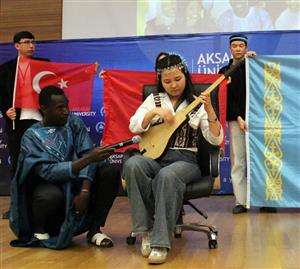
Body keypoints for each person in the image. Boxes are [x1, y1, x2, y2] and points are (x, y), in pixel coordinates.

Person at [122, 54, 223, 264]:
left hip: (185, 160)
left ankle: (160, 243)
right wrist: (154, 113)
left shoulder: (197, 102)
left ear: (185, 75)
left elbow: (215, 139)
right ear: (160, 82)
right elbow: (134, 125)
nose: (173, 85)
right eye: (167, 82)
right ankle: (147, 231)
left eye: (177, 79)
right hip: (155, 157)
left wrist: (210, 109)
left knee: (167, 175)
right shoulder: (154, 99)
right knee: (132, 164)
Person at [9, 86, 120, 249]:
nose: (66, 111)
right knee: (50, 195)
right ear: (44, 109)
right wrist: (89, 158)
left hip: (76, 187)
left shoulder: (74, 122)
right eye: (60, 108)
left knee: (109, 171)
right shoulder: (31, 137)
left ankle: (94, 230)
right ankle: (41, 230)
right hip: (50, 190)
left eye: (67, 106)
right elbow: (49, 172)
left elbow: (87, 153)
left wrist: (84, 191)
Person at [219, 34, 276, 214]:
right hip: (236, 120)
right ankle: (241, 202)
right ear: (230, 49)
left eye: (241, 45)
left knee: (261, 159)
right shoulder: (224, 71)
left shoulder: (255, 66)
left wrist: (253, 61)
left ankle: (266, 200)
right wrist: (238, 117)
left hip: (258, 119)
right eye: (234, 46)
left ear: (246, 47)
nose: (237, 48)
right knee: (239, 162)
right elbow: (227, 98)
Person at [0, 31, 49, 219]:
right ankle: (16, 207)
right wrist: (5, 109)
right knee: (18, 166)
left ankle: (40, 205)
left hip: (40, 122)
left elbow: (60, 82)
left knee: (42, 164)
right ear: (16, 46)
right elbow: (1, 95)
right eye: (27, 42)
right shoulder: (6, 69)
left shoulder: (43, 64)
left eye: (33, 42)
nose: (31, 45)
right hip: (16, 123)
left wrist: (87, 72)